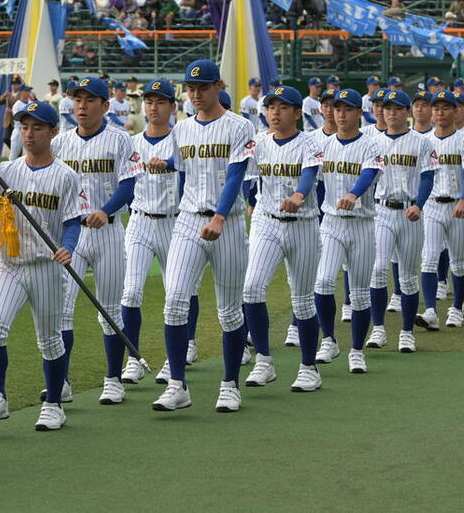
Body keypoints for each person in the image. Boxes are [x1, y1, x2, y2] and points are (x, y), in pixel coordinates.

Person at [0, 102, 85, 431]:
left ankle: (53, 404)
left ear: (53, 132)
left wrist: (67, 247)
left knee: (49, 339)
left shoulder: (66, 176)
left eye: (36, 127)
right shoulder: (5, 171)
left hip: (46, 268)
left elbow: (73, 221)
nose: (29, 134)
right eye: (24, 127)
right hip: (10, 264)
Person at [147, 59, 255, 412]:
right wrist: (164, 167)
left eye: (203, 87)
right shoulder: (181, 129)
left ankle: (229, 384)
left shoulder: (239, 126)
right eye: (190, 88)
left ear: (219, 85)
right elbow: (182, 170)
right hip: (189, 220)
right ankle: (178, 384)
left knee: (229, 311)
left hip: (229, 221)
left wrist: (221, 216)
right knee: (175, 300)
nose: (195, 93)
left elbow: (237, 175)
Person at [51, 77, 142, 405]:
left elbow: (128, 185)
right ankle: (60, 381)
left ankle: (113, 379)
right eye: (78, 99)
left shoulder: (120, 140)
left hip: (107, 233)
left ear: (105, 106)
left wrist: (104, 210)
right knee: (60, 310)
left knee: (109, 311)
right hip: (70, 236)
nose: (82, 106)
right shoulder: (60, 143)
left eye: (90, 100)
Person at [119, 80, 201, 383]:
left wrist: (170, 164)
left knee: (180, 292)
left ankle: (183, 348)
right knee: (130, 291)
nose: (153, 107)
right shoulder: (131, 142)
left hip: (174, 221)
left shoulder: (181, 139)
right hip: (139, 219)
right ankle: (133, 358)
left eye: (160, 102)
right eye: (148, 101)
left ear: (172, 106)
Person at [242, 86, 323, 390]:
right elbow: (243, 174)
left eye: (283, 107)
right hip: (266, 222)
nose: (275, 112)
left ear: (298, 113)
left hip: (302, 224)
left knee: (302, 301)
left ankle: (309, 367)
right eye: (270, 107)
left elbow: (309, 175)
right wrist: (246, 200)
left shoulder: (310, 142)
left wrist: (299, 195)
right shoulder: (259, 142)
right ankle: (263, 360)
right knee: (251, 289)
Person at [312, 88, 383, 373]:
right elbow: (310, 178)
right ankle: (328, 339)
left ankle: (356, 350)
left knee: (360, 293)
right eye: (335, 108)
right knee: (323, 281)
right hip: (331, 222)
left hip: (363, 224)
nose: (339, 113)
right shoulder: (320, 144)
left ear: (358, 112)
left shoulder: (371, 143)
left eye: (346, 109)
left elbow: (370, 173)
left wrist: (353, 194)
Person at [367, 90, 436, 354]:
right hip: (382, 210)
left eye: (397, 108)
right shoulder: (373, 142)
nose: (392, 113)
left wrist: (419, 203)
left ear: (407, 112)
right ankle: (379, 328)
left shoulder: (421, 142)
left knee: (407, 276)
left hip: (410, 212)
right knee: (378, 270)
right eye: (387, 108)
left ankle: (407, 332)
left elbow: (428, 178)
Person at [415, 91, 464, 331]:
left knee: (459, 262)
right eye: (437, 108)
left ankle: (457, 308)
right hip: (432, 205)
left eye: (445, 108)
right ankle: (431, 310)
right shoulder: (424, 141)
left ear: (455, 111)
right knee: (429, 258)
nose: (440, 112)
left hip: (457, 206)